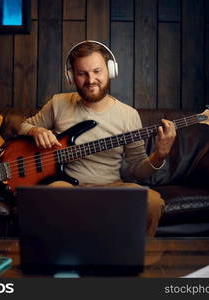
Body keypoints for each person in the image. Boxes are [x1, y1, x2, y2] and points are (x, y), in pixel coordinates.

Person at [19, 40, 176, 236]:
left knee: (152, 202)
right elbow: (22, 126)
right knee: (53, 195)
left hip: (111, 187)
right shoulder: (58, 103)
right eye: (82, 73)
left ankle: (132, 260)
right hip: (67, 185)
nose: (90, 80)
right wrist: (36, 131)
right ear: (70, 76)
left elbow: (137, 169)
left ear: (110, 71)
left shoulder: (128, 115)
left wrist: (159, 156)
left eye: (97, 71)